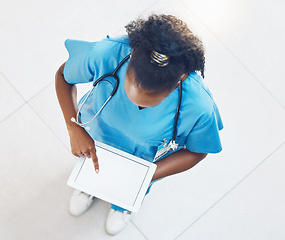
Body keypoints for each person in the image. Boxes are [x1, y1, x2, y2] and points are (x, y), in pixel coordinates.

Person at [55, 14, 223, 235]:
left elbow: (198, 151)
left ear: (180, 79)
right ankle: (88, 188)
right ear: (132, 53)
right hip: (95, 140)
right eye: (133, 83)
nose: (136, 98)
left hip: (141, 161)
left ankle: (121, 207)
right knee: (90, 172)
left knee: (130, 191)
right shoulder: (107, 53)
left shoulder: (198, 105)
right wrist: (74, 126)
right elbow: (63, 76)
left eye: (151, 96)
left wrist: (144, 176)